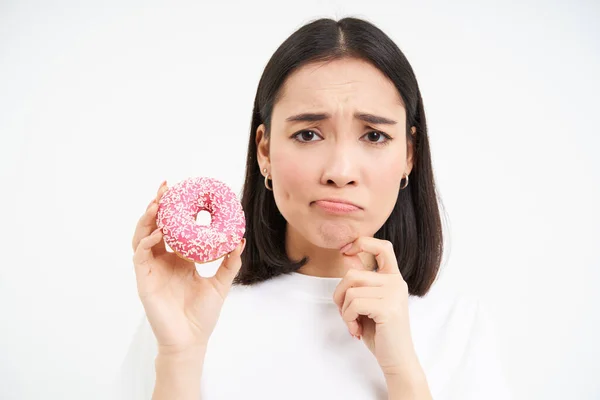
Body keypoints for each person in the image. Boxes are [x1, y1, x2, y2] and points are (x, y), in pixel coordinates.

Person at [113, 17, 512, 400]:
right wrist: (180, 356)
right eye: (308, 134)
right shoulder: (187, 317)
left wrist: (402, 370)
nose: (340, 171)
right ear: (264, 150)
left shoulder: (457, 329)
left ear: (409, 155)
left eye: (374, 135)